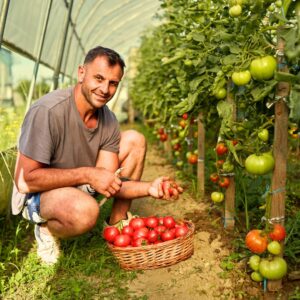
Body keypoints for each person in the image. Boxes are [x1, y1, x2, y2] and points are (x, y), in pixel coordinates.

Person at [11, 46, 183, 265]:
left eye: (113, 83)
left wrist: (150, 188)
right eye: (99, 78)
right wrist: (89, 174)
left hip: (79, 184)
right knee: (86, 212)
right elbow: (25, 181)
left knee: (134, 139)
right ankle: (45, 229)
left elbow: (110, 181)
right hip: (39, 193)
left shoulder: (108, 119)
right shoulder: (48, 111)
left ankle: (117, 226)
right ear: (81, 73)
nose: (105, 89)